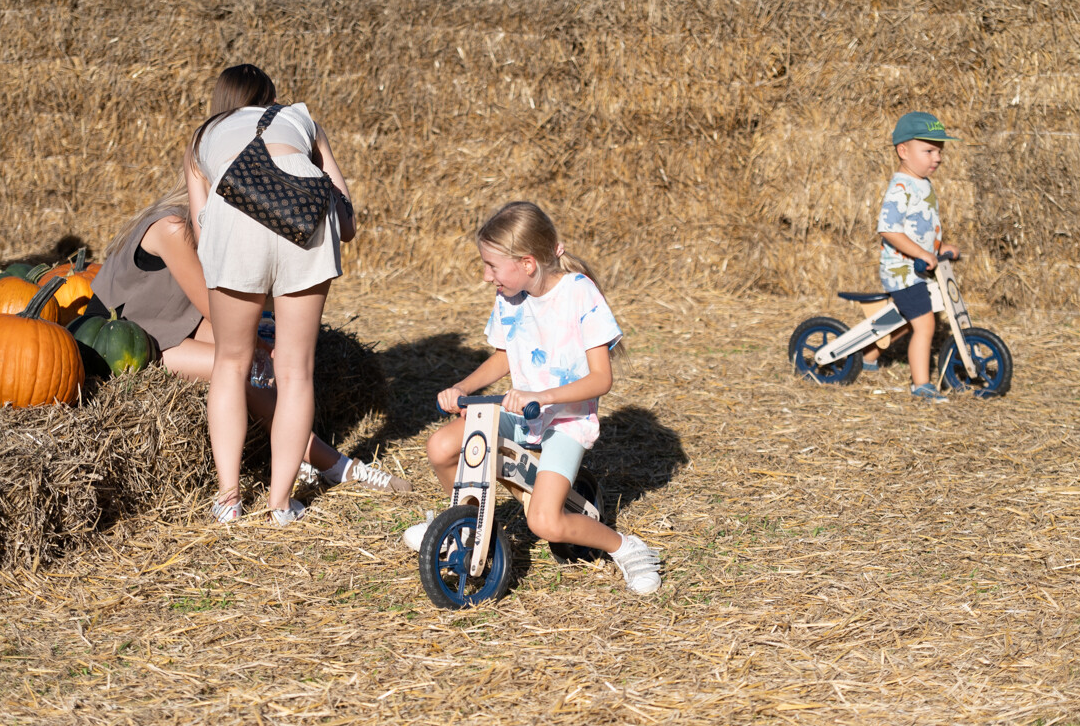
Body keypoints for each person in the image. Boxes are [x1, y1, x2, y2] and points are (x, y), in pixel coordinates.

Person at [84, 175, 411, 519]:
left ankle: (297, 458)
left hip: (168, 325)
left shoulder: (201, 225)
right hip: (126, 345)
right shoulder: (172, 227)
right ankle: (336, 464)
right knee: (241, 372)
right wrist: (263, 350)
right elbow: (214, 308)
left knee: (252, 362)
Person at [402, 201, 662, 595]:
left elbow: (600, 379)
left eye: (492, 266)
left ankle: (627, 548)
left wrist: (542, 394)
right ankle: (468, 525)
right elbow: (506, 354)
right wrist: (464, 388)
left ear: (526, 263)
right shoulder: (510, 296)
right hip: (525, 413)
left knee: (545, 522)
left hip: (565, 422)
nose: (487, 276)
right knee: (441, 447)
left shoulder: (578, 293)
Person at [185, 64, 405, 525]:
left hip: (235, 218)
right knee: (295, 370)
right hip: (306, 222)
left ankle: (228, 500)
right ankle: (281, 504)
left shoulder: (201, 138)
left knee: (230, 363)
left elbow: (205, 238)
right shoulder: (302, 119)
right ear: (271, 97)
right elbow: (346, 225)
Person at [861, 112, 960, 403]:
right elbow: (889, 230)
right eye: (929, 150)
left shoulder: (922, 184)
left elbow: (921, 231)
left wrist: (938, 250)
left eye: (940, 151)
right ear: (903, 151)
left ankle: (868, 355)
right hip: (902, 270)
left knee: (903, 322)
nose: (937, 157)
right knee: (925, 324)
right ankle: (921, 385)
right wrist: (922, 253)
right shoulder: (901, 187)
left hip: (916, 266)